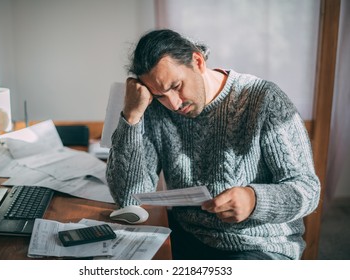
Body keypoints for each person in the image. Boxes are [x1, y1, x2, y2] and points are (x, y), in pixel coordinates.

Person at [106, 29, 320, 260]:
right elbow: (129, 199)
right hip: (187, 236)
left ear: (197, 61)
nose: (173, 104)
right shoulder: (156, 108)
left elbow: (308, 190)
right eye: (160, 96)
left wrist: (254, 199)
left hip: (258, 246)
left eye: (176, 86)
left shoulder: (265, 100)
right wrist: (131, 117)